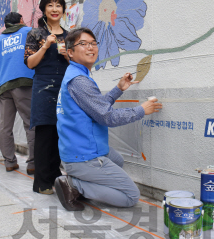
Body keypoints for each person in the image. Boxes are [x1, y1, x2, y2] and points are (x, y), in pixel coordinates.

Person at [55, 28, 163, 211]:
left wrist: (119, 88)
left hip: (77, 149)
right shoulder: (80, 80)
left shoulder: (76, 74)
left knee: (117, 160)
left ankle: (82, 181)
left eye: (93, 43)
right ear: (70, 52)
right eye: (83, 44)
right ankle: (74, 185)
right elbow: (107, 116)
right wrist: (141, 110)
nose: (90, 48)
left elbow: (96, 108)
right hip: (83, 156)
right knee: (131, 196)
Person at [25, 0, 69, 195]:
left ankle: (56, 178)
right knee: (44, 134)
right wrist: (45, 47)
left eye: (58, 5)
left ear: (63, 9)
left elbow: (79, 64)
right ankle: (42, 183)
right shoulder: (36, 34)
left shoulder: (70, 36)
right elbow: (29, 63)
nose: (54, 9)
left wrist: (67, 56)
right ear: (43, 9)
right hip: (43, 88)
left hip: (65, 88)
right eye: (50, 5)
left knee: (61, 133)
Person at [0, 12, 36, 173]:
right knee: (31, 123)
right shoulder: (29, 31)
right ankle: (33, 163)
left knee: (5, 126)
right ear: (20, 20)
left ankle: (9, 162)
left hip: (4, 85)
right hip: (23, 81)